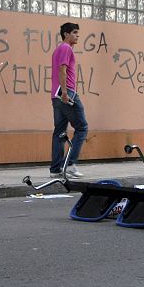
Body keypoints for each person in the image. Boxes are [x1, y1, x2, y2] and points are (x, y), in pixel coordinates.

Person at [50, 22, 88, 179]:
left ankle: (55, 169)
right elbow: (62, 70)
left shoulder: (57, 49)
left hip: (55, 95)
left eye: (78, 33)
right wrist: (65, 92)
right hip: (67, 94)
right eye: (74, 32)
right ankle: (70, 164)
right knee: (82, 128)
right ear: (66, 34)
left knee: (59, 132)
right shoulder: (66, 48)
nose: (77, 35)